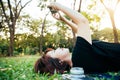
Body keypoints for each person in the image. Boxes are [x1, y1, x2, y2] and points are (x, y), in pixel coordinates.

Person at [34, 2, 120, 75]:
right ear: (59, 62)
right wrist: (58, 6)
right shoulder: (78, 57)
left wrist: (63, 19)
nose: (58, 48)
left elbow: (80, 31)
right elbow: (83, 22)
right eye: (54, 51)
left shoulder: (78, 63)